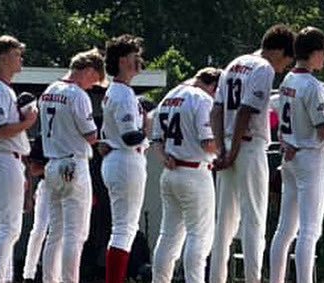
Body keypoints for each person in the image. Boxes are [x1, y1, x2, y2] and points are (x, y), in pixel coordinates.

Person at [209, 24, 296, 283]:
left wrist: (222, 149)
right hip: (247, 146)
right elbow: (247, 111)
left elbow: (216, 111)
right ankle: (252, 278)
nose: (286, 67)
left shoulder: (233, 64)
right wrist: (234, 151)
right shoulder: (264, 68)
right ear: (280, 51)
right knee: (254, 219)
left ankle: (217, 278)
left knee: (223, 222)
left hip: (227, 145)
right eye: (288, 59)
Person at [268, 27, 324, 283]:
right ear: (315, 52)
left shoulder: (287, 81)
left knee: (285, 228)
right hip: (309, 157)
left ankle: (277, 279)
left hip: (290, 156)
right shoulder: (312, 85)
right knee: (309, 229)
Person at [37, 48, 104, 283]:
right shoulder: (77, 95)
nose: (92, 86)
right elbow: (91, 135)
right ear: (87, 70)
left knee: (55, 232)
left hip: (52, 164)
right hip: (74, 164)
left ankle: (49, 279)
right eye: (94, 79)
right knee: (75, 234)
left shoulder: (48, 91)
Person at [150, 67, 222, 282]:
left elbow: (156, 140)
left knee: (168, 236)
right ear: (214, 86)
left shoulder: (169, 96)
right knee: (199, 237)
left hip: (170, 170)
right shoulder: (202, 99)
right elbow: (208, 143)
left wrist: (164, 157)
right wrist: (229, 145)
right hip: (194, 171)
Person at [0, 35, 37, 283]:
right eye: (16, 54)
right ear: (2, 58)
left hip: (4, 160)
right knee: (8, 229)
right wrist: (28, 122)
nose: (20, 59)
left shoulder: (1, 89)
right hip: (3, 158)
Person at [99, 34, 149, 283]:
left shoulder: (116, 91)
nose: (138, 60)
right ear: (121, 61)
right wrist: (148, 128)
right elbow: (131, 136)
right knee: (124, 229)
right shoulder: (123, 93)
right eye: (133, 56)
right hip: (126, 158)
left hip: (117, 158)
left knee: (123, 228)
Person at [21, 137, 50, 282]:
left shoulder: (71, 137)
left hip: (67, 187)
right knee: (39, 230)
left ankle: (54, 275)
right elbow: (33, 168)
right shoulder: (43, 137)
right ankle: (29, 274)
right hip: (47, 185)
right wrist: (54, 167)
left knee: (63, 233)